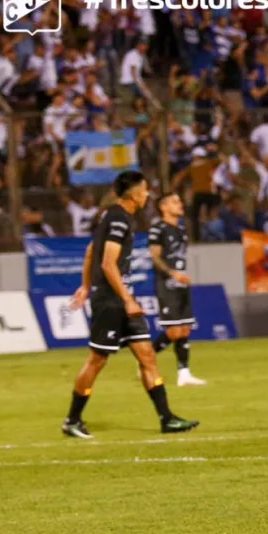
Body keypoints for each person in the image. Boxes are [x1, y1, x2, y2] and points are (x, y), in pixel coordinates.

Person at [62, 171, 199, 439]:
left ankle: (167, 418)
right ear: (135, 194)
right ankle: (72, 420)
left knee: (147, 355)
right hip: (111, 301)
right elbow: (107, 263)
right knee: (97, 360)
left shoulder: (114, 216)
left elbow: (91, 251)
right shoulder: (118, 219)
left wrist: (86, 286)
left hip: (122, 299)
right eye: (145, 190)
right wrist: (125, 299)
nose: (147, 195)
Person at [148, 192, 207, 387]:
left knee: (185, 329)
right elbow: (155, 257)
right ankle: (146, 360)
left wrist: (181, 274)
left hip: (181, 282)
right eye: (175, 202)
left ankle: (184, 374)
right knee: (173, 331)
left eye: (179, 201)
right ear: (163, 207)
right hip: (166, 284)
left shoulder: (181, 230)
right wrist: (172, 273)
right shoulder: (158, 229)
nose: (180, 204)